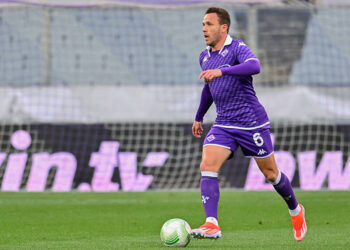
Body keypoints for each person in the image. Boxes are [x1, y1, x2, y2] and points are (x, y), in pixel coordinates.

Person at [190, 7, 307, 241]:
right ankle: (211, 223)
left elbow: (255, 66)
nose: (204, 28)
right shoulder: (204, 56)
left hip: (251, 122)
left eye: (209, 24)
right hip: (224, 123)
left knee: (271, 174)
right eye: (203, 24)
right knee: (208, 165)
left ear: (223, 27)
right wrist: (199, 116)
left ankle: (296, 210)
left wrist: (222, 71)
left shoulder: (237, 48)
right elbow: (209, 88)